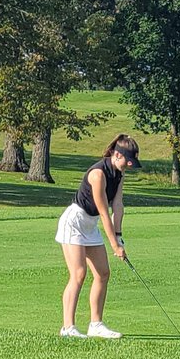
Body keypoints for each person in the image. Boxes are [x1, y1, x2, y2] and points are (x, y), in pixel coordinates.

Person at [55, 134, 142, 338]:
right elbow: (104, 211)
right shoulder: (98, 174)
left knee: (103, 273)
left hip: (90, 224)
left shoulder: (119, 174)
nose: (127, 166)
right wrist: (114, 246)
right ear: (117, 154)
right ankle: (68, 328)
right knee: (78, 274)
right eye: (127, 162)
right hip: (74, 222)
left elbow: (118, 206)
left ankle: (96, 324)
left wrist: (119, 236)